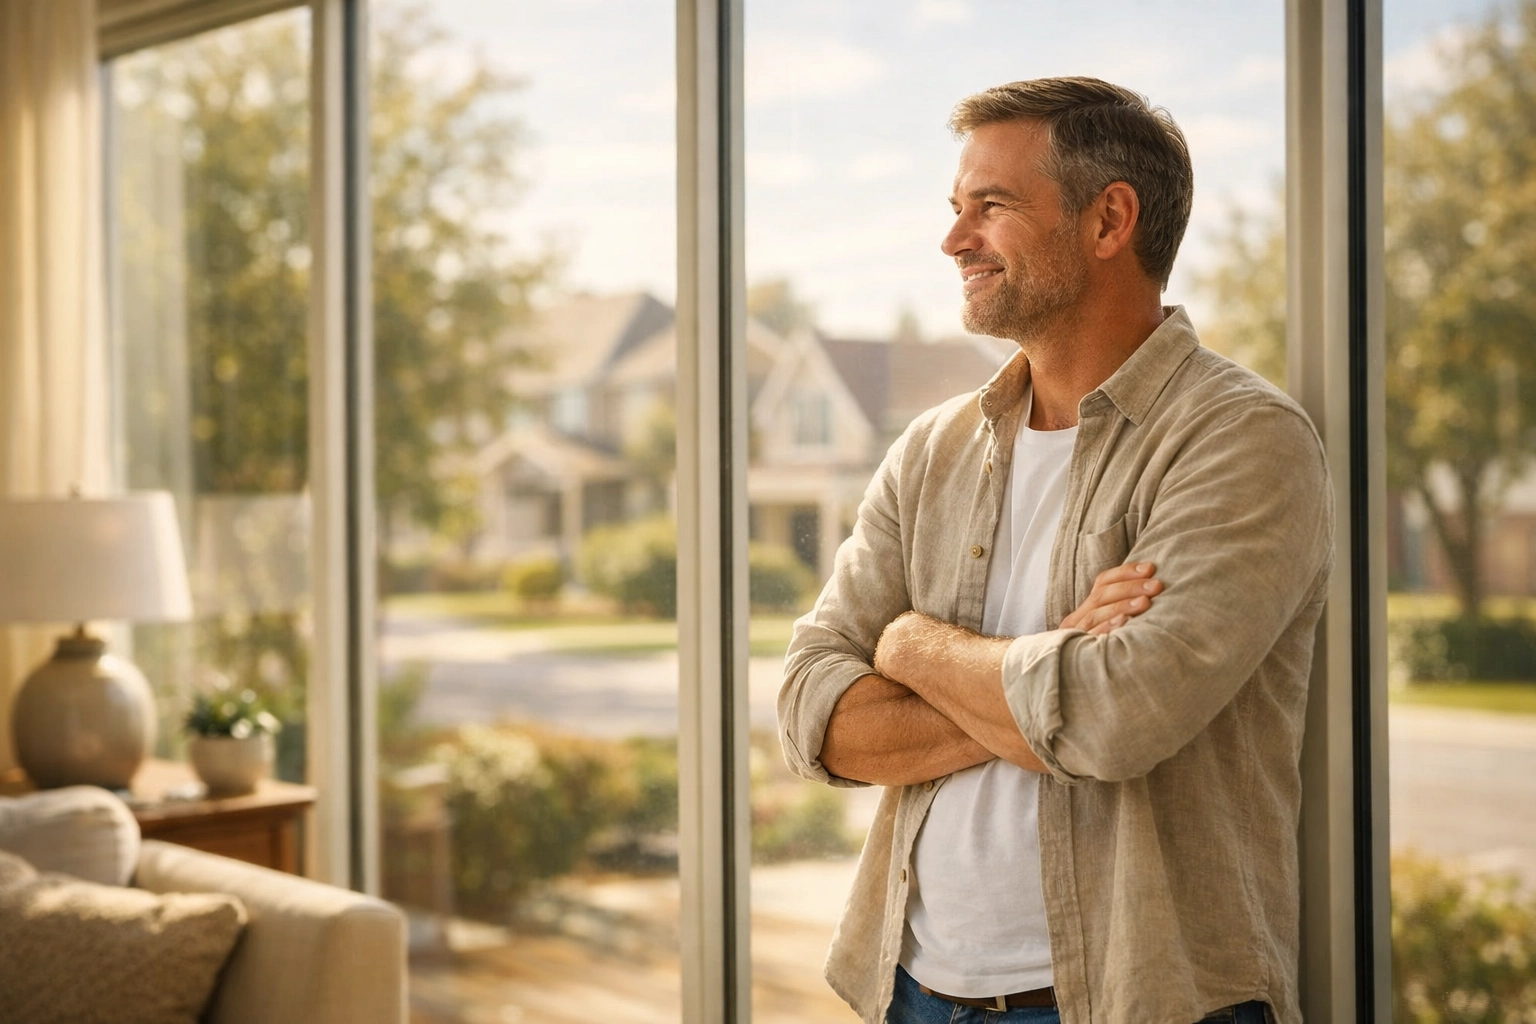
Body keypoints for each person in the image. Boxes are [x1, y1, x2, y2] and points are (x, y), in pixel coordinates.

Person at [777, 77, 1334, 1024]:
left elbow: (1117, 717)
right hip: (914, 991)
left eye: (990, 207)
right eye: (957, 210)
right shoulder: (932, 450)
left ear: (1110, 218)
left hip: (1137, 999)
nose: (954, 241)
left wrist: (912, 648)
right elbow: (810, 712)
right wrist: (1052, 664)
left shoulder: (1242, 439)